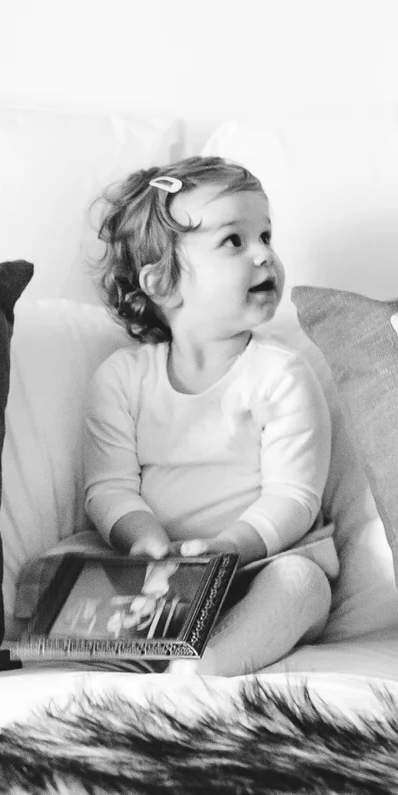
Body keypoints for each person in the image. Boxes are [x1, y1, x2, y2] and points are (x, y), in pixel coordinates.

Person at [75, 157, 336, 676]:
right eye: (234, 241)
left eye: (265, 235)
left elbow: (294, 496)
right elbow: (107, 488)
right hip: (156, 571)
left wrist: (230, 548)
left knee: (302, 585)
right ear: (163, 283)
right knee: (67, 573)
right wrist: (145, 541)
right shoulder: (122, 379)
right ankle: (142, 651)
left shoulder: (281, 374)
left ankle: (205, 667)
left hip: (258, 563)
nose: (264, 254)